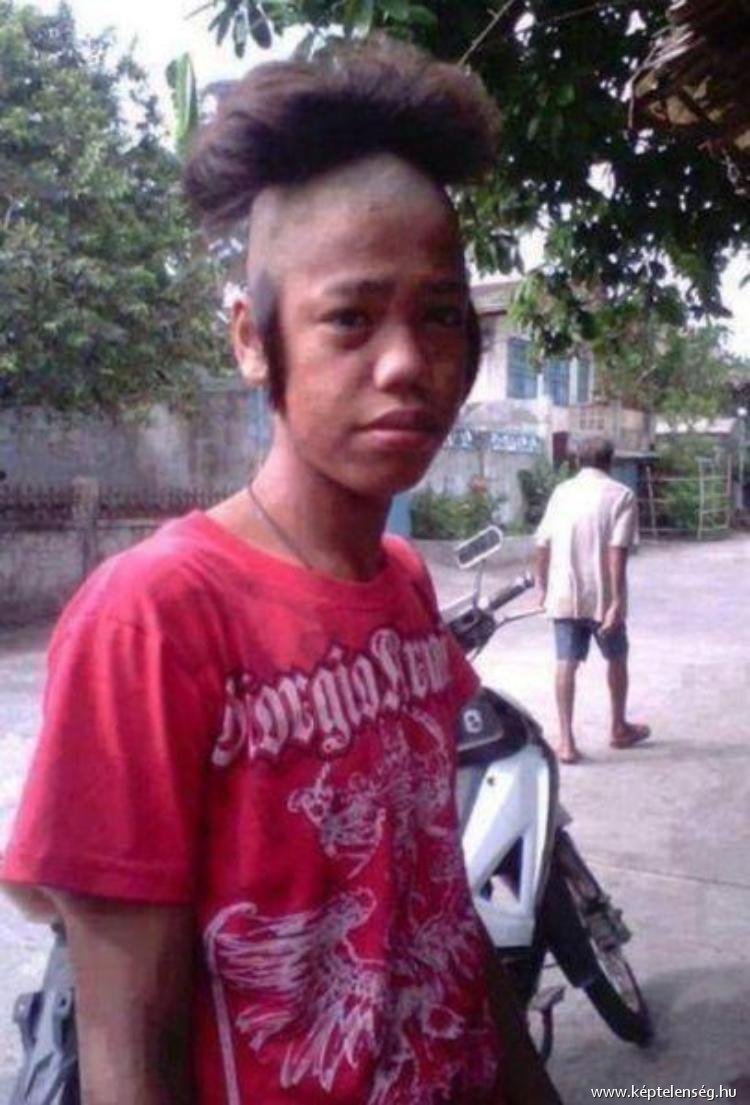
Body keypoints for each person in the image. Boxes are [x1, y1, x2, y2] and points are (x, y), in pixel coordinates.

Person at [1, 37, 562, 1105]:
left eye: (442, 315)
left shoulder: (402, 584)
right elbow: (129, 1058)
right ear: (253, 341)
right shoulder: (153, 620)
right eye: (350, 317)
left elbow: (438, 912)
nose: (407, 363)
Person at [534, 436, 651, 765]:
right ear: (610, 462)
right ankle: (618, 728)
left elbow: (542, 542)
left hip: (564, 594)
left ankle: (566, 742)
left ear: (576, 461)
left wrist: (542, 586)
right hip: (602, 599)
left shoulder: (561, 493)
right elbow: (617, 551)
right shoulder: (622, 495)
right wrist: (617, 601)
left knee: (565, 663)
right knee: (617, 658)